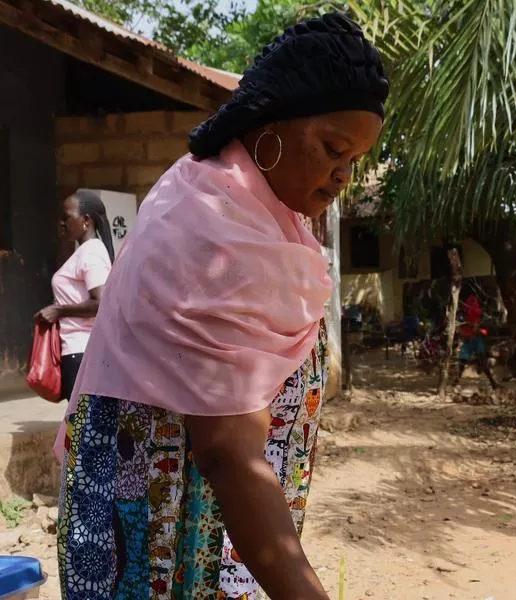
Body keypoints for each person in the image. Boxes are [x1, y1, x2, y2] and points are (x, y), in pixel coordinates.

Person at [54, 12, 388, 600]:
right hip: (159, 521)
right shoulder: (215, 232)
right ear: (269, 128)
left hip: (208, 516)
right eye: (334, 148)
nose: (344, 174)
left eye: (355, 157)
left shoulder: (242, 210)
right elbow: (229, 453)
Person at [35, 191, 114, 402]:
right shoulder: (84, 252)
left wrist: (59, 310)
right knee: (82, 425)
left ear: (86, 220)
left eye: (67, 217)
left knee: (81, 427)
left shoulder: (92, 252)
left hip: (82, 352)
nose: (61, 223)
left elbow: (100, 303)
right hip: (78, 351)